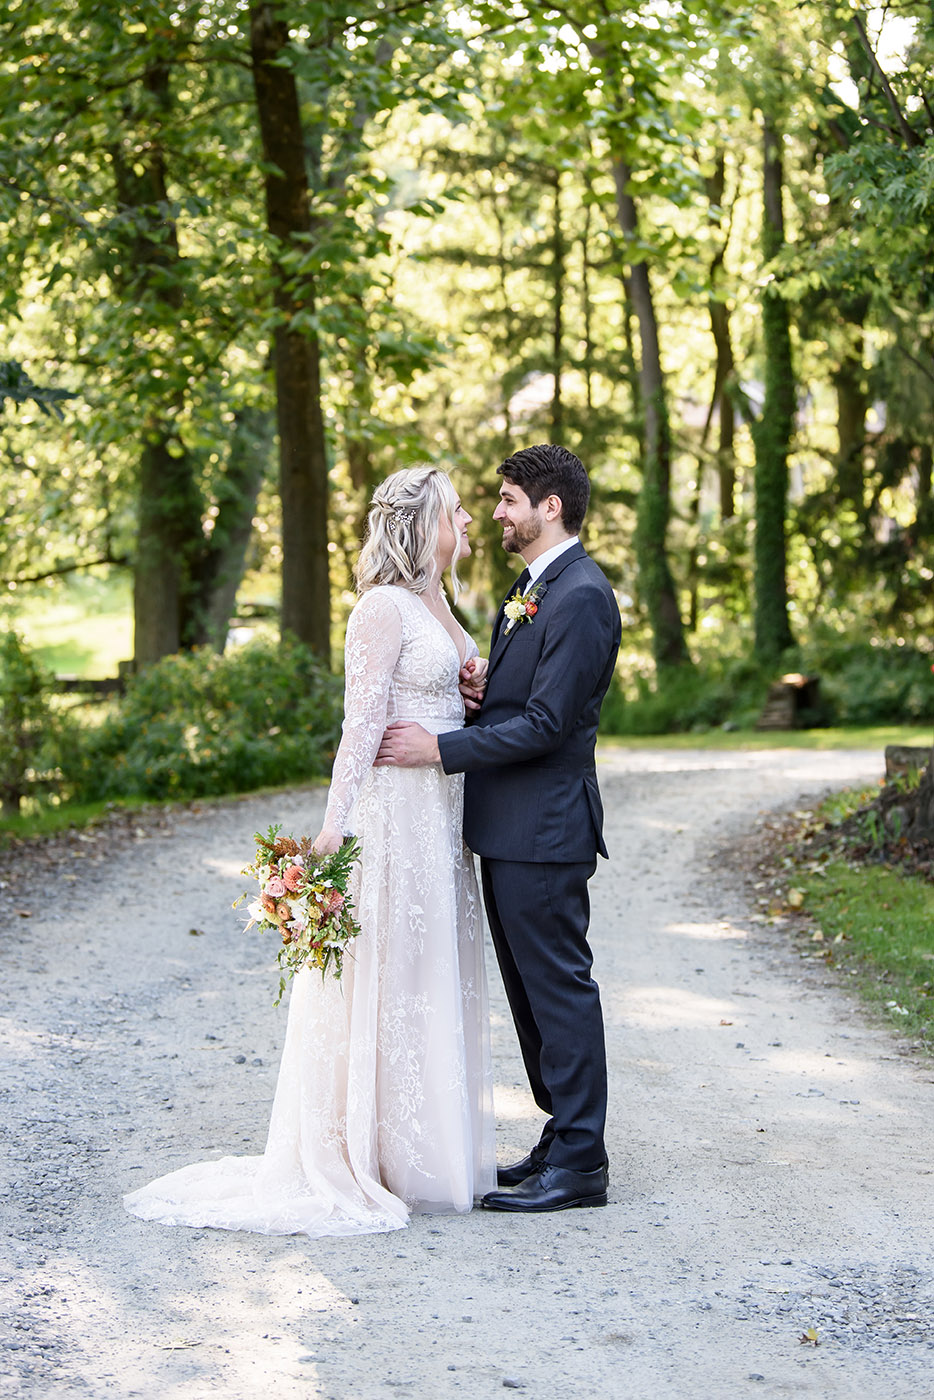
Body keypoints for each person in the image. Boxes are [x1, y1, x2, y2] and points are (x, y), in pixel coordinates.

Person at [124, 467, 496, 1237]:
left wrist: (469, 693)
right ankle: (368, 1153)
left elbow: (437, 698)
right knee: (390, 973)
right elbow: (361, 725)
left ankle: (426, 1153)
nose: (468, 520)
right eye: (456, 510)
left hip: (441, 816)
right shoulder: (380, 608)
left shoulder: (440, 601)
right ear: (422, 524)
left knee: (429, 968)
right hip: (395, 817)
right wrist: (333, 829)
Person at [376, 444, 621, 1213]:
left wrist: (440, 748)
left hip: (546, 828)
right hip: (511, 826)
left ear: (551, 507)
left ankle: (581, 1160)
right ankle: (561, 1131)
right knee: (528, 993)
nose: (497, 513)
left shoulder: (582, 595)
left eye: (510, 499)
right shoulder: (532, 588)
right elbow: (525, 703)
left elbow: (549, 725)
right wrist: (480, 693)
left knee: (559, 989)